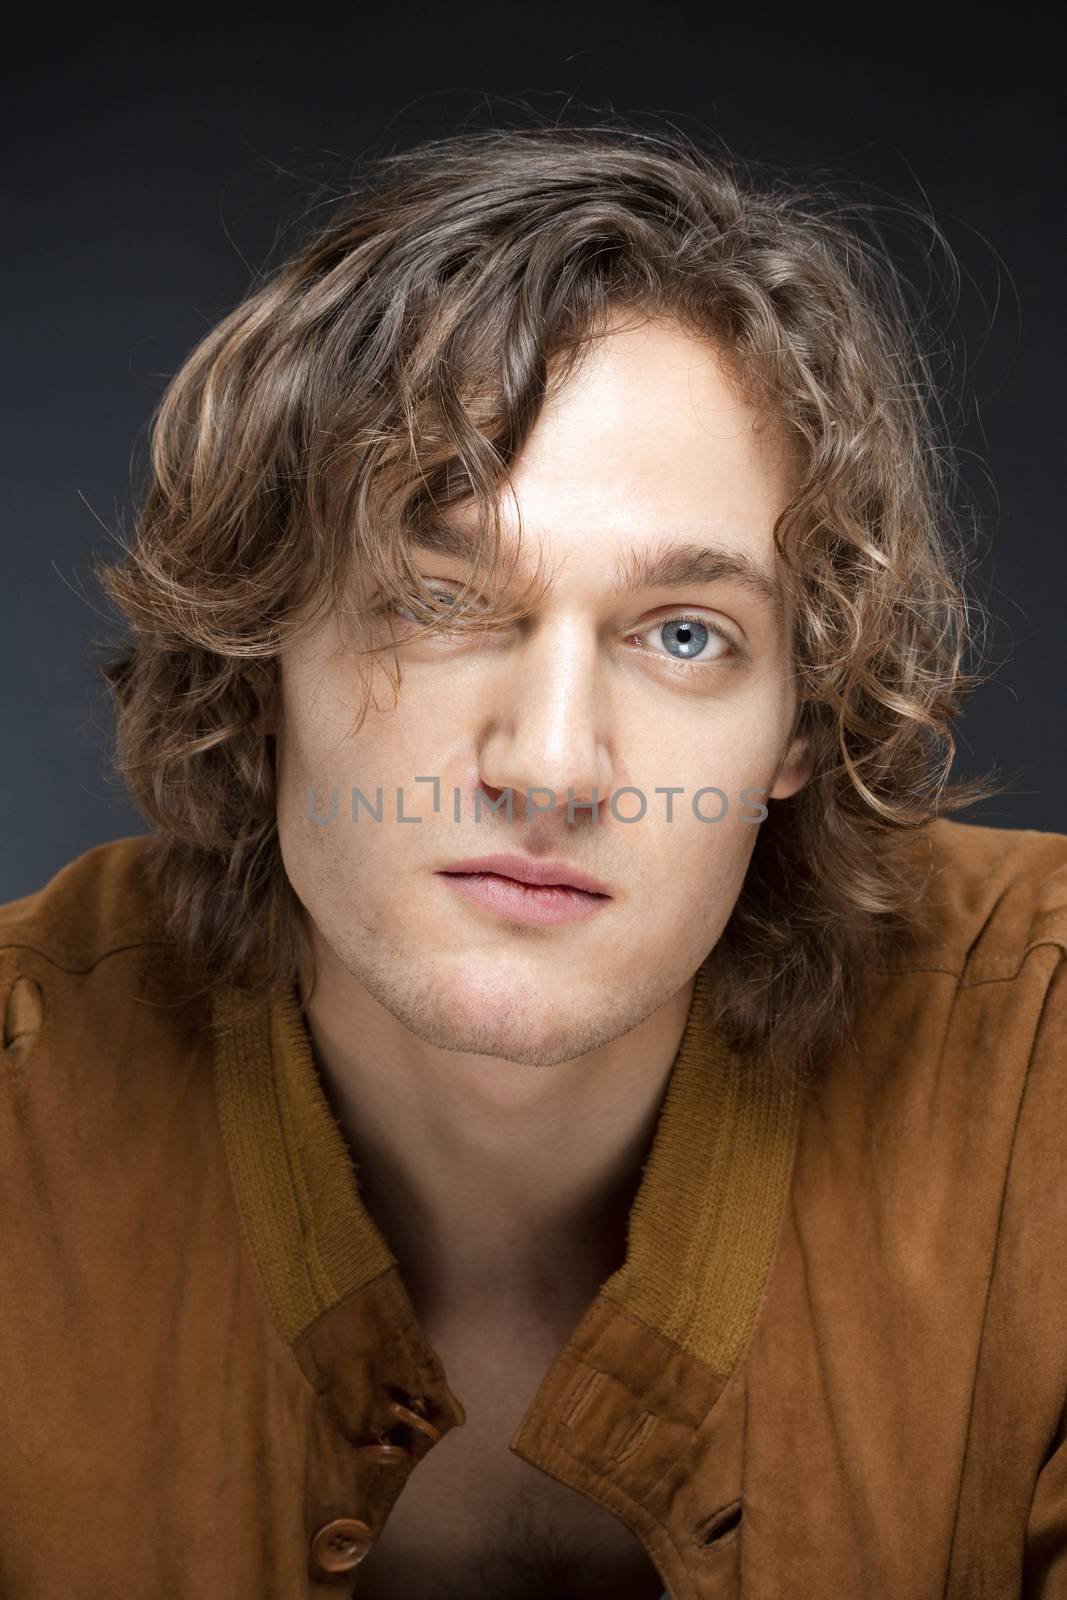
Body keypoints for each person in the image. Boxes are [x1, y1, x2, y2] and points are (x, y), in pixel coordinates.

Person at [1, 121, 1063, 1600]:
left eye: (685, 635)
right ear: (258, 649)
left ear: (799, 728)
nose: (554, 764)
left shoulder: (1043, 1064)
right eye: (440, 600)